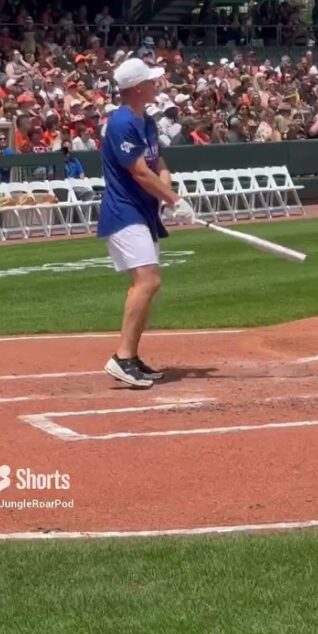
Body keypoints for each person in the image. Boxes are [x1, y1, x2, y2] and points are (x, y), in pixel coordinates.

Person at [98, 58, 194, 388]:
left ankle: (131, 357)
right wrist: (175, 200)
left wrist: (166, 196)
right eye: (151, 81)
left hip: (143, 212)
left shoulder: (147, 121)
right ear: (138, 87)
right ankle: (122, 357)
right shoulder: (121, 123)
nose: (157, 85)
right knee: (148, 281)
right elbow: (139, 172)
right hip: (124, 212)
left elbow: (158, 164)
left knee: (147, 283)